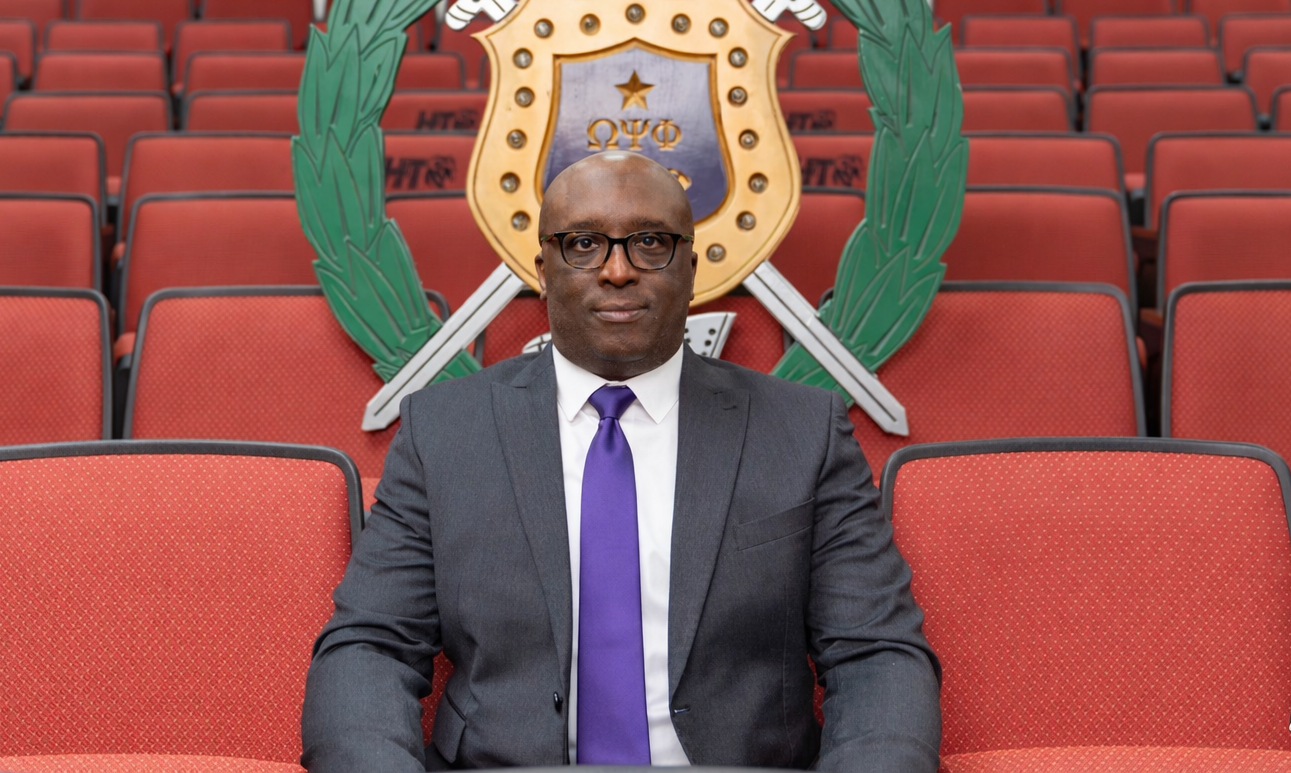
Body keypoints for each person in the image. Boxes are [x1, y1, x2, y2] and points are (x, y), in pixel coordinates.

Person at [302, 151, 941, 771]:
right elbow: (371, 648)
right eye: (583, 244)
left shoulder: (804, 433)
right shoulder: (444, 432)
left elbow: (876, 655)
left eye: (650, 243)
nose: (616, 272)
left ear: (692, 266)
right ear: (542, 267)